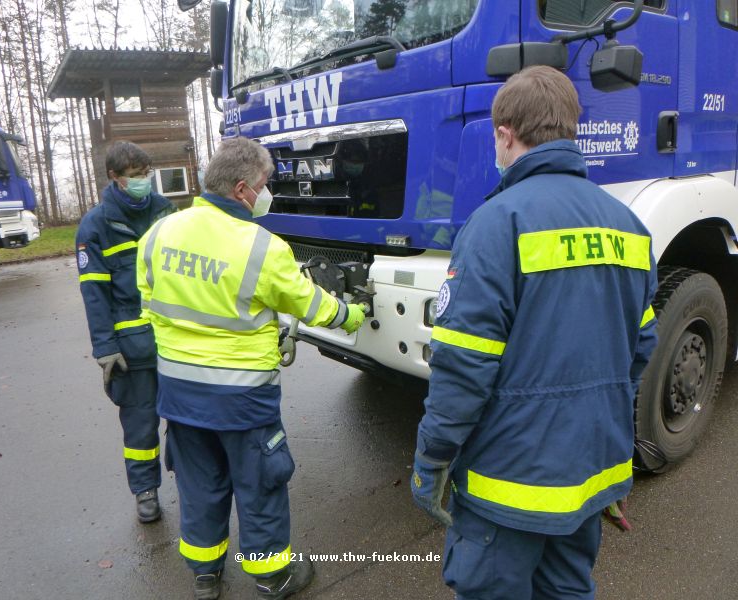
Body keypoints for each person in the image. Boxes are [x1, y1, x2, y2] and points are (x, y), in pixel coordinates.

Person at [411, 66, 658, 599]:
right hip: (590, 473)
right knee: (569, 589)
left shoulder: (497, 223)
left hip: (510, 484)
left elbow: (462, 367)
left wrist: (432, 458)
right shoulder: (629, 227)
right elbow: (640, 347)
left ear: (505, 134)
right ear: (572, 129)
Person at [136, 136, 366, 600]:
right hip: (242, 400)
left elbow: (149, 304)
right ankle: (273, 577)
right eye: (264, 185)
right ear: (243, 190)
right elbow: (313, 306)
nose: (267, 193)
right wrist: (353, 312)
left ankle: (205, 576)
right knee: (260, 486)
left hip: (180, 396)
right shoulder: (261, 248)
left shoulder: (159, 233)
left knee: (200, 488)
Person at [76, 141, 175, 524]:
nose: (143, 182)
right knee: (140, 425)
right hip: (132, 352)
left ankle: (189, 477)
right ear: (114, 178)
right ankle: (145, 491)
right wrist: (105, 348)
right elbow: (95, 294)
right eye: (134, 177)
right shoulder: (96, 225)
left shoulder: (167, 213)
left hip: (174, 341)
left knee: (187, 420)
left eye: (146, 174)